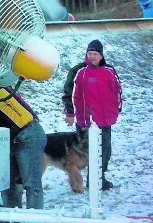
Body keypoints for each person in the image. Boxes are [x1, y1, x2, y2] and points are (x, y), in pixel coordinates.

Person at [61, 39, 122, 191]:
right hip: (85, 121)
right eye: (90, 53)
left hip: (104, 120)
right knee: (84, 154)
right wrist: (70, 112)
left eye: (95, 54)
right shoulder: (78, 71)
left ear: (101, 55)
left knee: (105, 152)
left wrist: (116, 110)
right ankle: (77, 180)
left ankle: (98, 179)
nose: (92, 56)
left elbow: (117, 92)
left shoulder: (109, 70)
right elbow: (69, 93)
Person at [0, 87, 47, 209]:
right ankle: (12, 216)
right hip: (11, 136)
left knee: (31, 184)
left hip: (28, 133)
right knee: (7, 184)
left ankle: (33, 218)